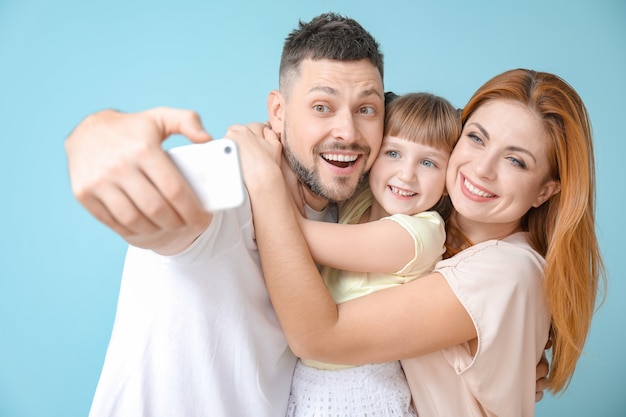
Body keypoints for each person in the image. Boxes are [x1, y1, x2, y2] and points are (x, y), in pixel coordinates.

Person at [64, 12, 549, 416]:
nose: (347, 131)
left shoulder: (352, 211)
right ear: (277, 113)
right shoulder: (231, 180)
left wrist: (491, 360)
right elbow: (164, 211)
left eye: (366, 109)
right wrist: (97, 137)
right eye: (322, 106)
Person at [240, 68, 605, 416]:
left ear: (545, 190)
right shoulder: (431, 225)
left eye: (515, 161)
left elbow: (318, 337)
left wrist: (265, 180)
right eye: (477, 138)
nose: (482, 169)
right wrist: (282, 131)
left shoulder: (505, 272)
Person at [279, 92, 461, 416]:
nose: (407, 175)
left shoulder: (421, 234)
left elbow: (295, 236)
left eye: (429, 162)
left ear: (448, 181)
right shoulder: (361, 201)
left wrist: (262, 174)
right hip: (309, 384)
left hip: (365, 392)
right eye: (393, 152)